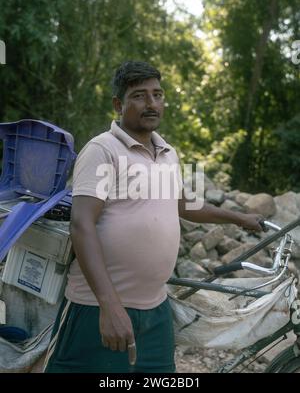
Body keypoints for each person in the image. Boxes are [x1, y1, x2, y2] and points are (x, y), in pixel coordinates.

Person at [44, 61, 264, 373]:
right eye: (139, 96)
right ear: (118, 104)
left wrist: (239, 218)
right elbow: (82, 224)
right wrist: (109, 306)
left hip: (156, 309)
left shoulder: (168, 153)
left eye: (157, 95)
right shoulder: (102, 150)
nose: (151, 104)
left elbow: (185, 205)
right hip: (97, 308)